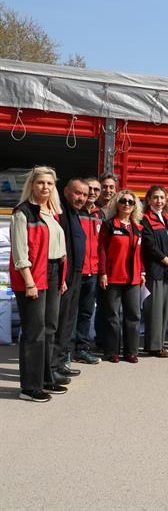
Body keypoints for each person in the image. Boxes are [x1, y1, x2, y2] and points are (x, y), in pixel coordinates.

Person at [10, 166, 68, 401]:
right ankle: (29, 387)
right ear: (32, 185)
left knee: (50, 328)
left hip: (53, 273)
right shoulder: (22, 212)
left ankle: (45, 379)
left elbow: (59, 249)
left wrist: (61, 279)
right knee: (34, 331)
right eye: (41, 183)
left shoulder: (53, 212)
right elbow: (19, 252)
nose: (45, 187)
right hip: (32, 276)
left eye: (50, 184)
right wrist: (29, 282)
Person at [98, 189, 145, 363]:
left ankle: (131, 351)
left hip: (132, 277)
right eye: (123, 201)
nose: (127, 204)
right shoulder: (109, 225)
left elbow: (141, 253)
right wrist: (103, 272)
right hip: (113, 276)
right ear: (117, 204)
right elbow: (101, 249)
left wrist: (142, 271)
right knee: (112, 315)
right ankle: (112, 351)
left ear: (134, 206)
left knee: (133, 315)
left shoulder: (138, 227)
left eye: (130, 202)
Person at [53, 178, 89, 379]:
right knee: (59, 322)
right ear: (66, 191)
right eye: (77, 193)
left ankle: (60, 363)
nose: (81, 198)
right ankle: (52, 367)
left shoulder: (75, 213)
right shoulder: (61, 212)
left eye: (84, 195)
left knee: (68, 322)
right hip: (64, 276)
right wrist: (62, 277)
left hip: (76, 274)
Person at [140, 185, 168, 358]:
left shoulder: (166, 219)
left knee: (163, 309)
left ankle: (159, 343)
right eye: (155, 197)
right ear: (148, 200)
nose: (159, 201)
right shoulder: (145, 219)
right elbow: (150, 246)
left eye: (162, 197)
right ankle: (154, 346)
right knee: (154, 310)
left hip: (167, 271)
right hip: (154, 270)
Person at [73, 177, 103, 364]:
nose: (92, 193)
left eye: (96, 190)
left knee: (85, 313)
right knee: (69, 314)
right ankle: (65, 351)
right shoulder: (74, 212)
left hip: (93, 272)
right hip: (76, 272)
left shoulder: (100, 214)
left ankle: (81, 349)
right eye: (89, 189)